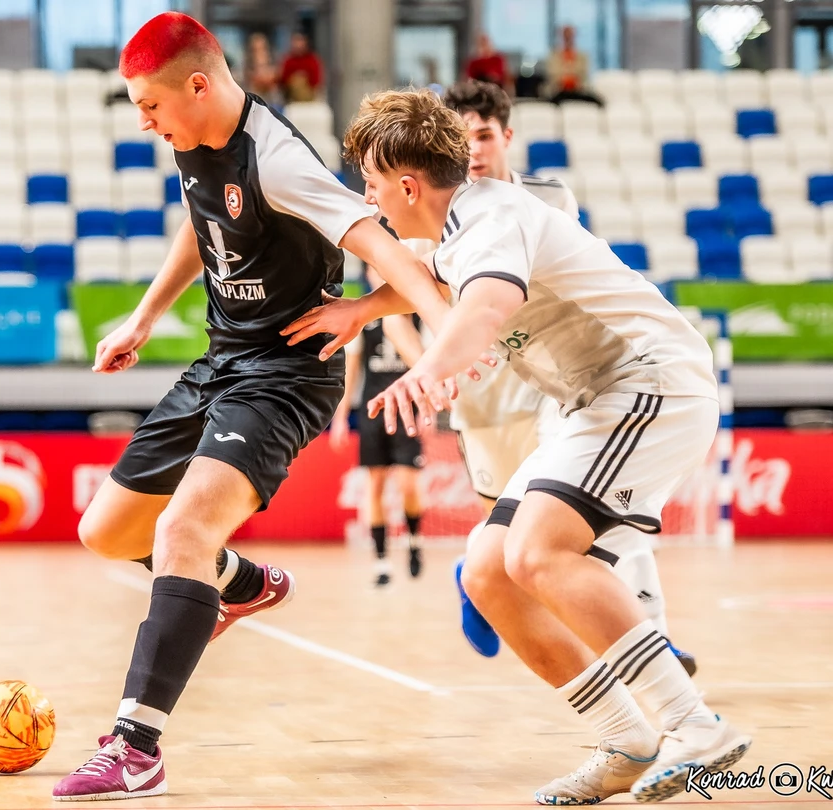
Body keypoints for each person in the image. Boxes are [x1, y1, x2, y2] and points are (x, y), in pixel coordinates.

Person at [285, 88, 750, 805]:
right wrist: (364, 308)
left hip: (650, 380)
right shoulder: (459, 225)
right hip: (593, 399)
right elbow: (439, 279)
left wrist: (427, 371)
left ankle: (695, 726)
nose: (367, 195)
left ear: (406, 186)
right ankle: (625, 739)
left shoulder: (491, 214)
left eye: (371, 183)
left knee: (540, 550)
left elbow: (487, 303)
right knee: (488, 570)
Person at [52, 13, 452, 803]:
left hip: (287, 374)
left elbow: (383, 245)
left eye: (150, 105)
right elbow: (199, 228)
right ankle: (238, 584)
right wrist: (142, 317)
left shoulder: (275, 158)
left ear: (198, 85)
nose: (144, 120)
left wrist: (433, 339)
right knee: (106, 532)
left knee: (181, 529)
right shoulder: (192, 141)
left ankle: (136, 744)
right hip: (220, 363)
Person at [441, 79, 696, 674]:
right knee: (505, 528)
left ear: (507, 136)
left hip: (562, 382)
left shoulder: (551, 197)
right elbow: (420, 297)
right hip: (479, 387)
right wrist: (435, 365)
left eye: (484, 135)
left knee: (601, 511)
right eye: (462, 137)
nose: (474, 149)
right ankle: (474, 573)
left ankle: (652, 638)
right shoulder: (437, 211)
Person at [331, 267, 424, 586]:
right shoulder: (362, 313)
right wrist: (342, 417)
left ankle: (413, 541)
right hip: (373, 409)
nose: (379, 273)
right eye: (373, 268)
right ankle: (381, 561)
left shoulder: (417, 309)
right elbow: (351, 372)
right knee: (375, 485)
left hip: (407, 407)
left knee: (409, 484)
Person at [544, 25, 604, 106]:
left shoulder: (582, 56)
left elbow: (584, 74)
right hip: (560, 91)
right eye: (566, 35)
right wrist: (566, 79)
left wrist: (572, 79)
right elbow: (553, 75)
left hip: (578, 90)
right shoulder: (554, 56)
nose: (568, 38)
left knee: (597, 102)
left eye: (570, 35)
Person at [279, 32, 324, 102]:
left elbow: (316, 81)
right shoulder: (288, 60)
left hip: (310, 98)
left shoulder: (312, 60)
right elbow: (283, 80)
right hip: (291, 99)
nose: (298, 45)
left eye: (300, 41)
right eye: (295, 41)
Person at [242, 32, 281, 106]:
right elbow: (248, 75)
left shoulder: (272, 57)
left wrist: (267, 77)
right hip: (255, 88)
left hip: (270, 88)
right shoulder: (248, 60)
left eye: (261, 45)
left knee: (275, 92)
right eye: (256, 46)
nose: (258, 48)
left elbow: (276, 72)